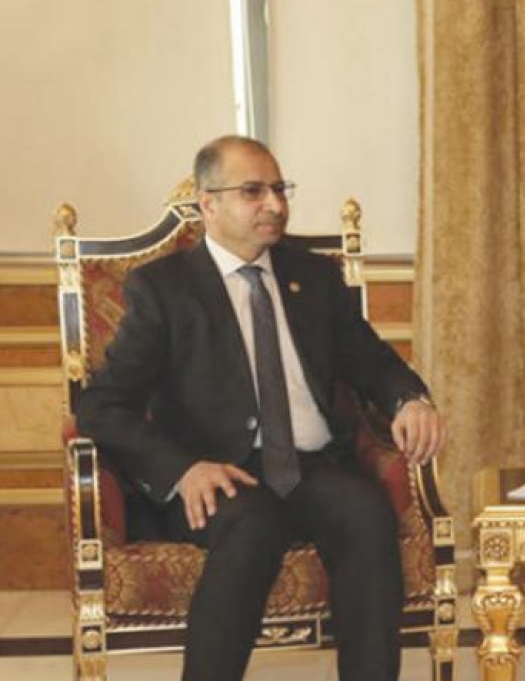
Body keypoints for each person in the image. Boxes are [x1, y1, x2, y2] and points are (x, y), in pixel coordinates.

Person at [78, 135, 447, 681]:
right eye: (253, 191)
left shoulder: (314, 277)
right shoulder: (164, 289)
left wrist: (409, 399)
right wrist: (182, 470)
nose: (274, 204)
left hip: (311, 467)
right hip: (217, 474)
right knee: (252, 526)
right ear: (209, 203)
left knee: (366, 515)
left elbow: (371, 360)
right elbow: (102, 406)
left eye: (279, 189)